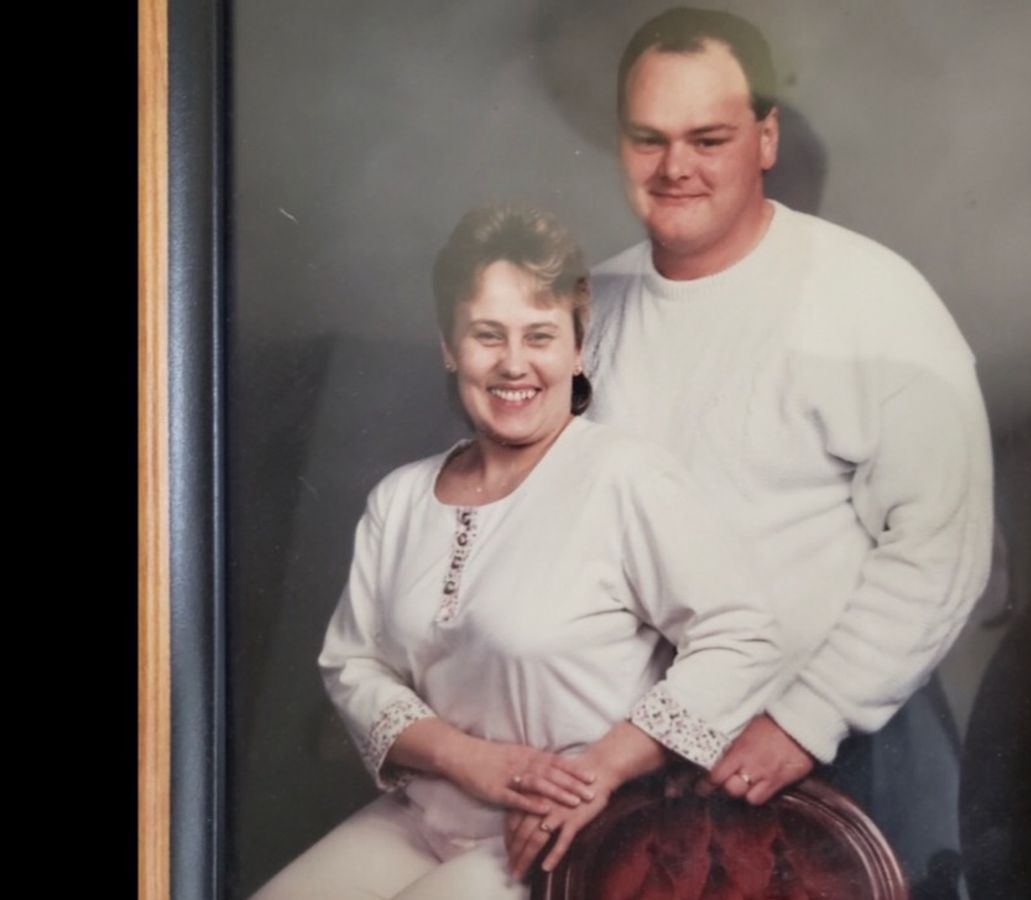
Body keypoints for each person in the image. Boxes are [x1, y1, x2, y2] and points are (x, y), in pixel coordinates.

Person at [555, 7, 993, 894]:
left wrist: (804, 722)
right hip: (637, 757)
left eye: (708, 138)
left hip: (829, 753)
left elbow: (940, 548)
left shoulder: (875, 298)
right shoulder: (584, 309)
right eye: (648, 138)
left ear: (765, 138)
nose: (675, 167)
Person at [251, 203, 784, 899]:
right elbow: (353, 664)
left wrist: (601, 771)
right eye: (486, 335)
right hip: (423, 813)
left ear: (578, 349)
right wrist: (469, 759)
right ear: (450, 347)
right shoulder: (399, 499)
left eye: (540, 335)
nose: (513, 363)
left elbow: (743, 636)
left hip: (564, 833)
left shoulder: (625, 478)